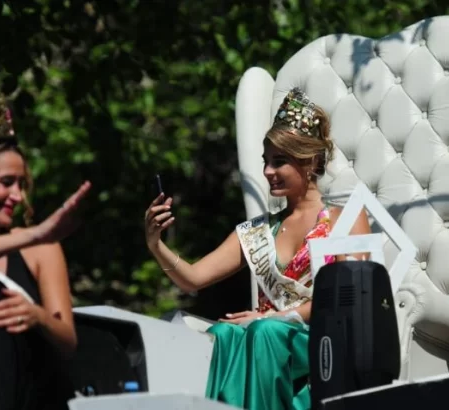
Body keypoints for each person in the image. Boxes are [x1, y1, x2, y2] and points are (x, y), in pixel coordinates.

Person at [144, 88, 371, 410]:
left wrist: (275, 317)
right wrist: (155, 245)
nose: (267, 172)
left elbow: (350, 299)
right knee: (225, 334)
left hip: (324, 340)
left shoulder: (346, 219)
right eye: (266, 162)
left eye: (280, 162)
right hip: (270, 337)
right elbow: (192, 278)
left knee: (263, 330)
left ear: (310, 162)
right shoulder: (257, 231)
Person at [0, 92, 92, 409]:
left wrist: (37, 315)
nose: (17, 195)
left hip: (28, 393)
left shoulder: (41, 249)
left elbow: (67, 341)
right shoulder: (35, 238)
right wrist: (36, 233)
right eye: (7, 182)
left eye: (22, 184)